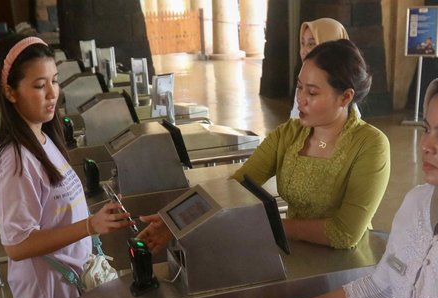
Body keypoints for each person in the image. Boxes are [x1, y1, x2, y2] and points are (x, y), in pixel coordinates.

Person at [0, 34, 134, 298]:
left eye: (54, 81)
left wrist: (95, 220)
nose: (52, 93)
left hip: (74, 291)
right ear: (11, 92)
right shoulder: (16, 162)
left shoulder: (43, 136)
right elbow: (17, 245)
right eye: (39, 85)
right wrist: (89, 225)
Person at [139, 40, 390, 252]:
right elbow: (236, 186)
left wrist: (266, 225)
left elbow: (344, 233)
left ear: (345, 97)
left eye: (312, 93)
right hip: (295, 249)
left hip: (348, 265)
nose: (300, 99)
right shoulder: (289, 135)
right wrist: (176, 220)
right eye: (299, 87)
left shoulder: (370, 146)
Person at [247, 77, 438, 298]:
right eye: (427, 129)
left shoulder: (368, 143)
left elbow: (344, 230)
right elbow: (378, 285)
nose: (426, 145)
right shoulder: (415, 204)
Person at [290, 18, 349, 119]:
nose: (303, 51)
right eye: (302, 43)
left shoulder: (341, 87)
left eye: (311, 44)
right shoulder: (303, 79)